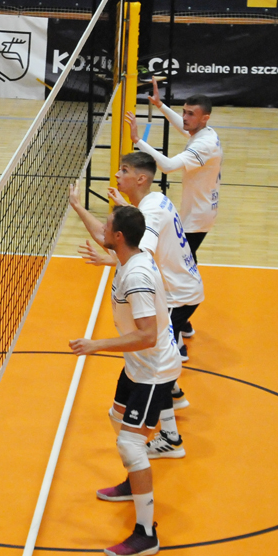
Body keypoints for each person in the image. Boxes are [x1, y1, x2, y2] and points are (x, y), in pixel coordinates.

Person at [69, 205, 181, 556]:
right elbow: (102, 237)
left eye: (107, 226)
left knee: (131, 445)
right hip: (137, 365)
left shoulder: (136, 277)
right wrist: (76, 205)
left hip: (153, 370)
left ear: (119, 237)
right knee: (116, 418)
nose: (101, 229)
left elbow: (148, 335)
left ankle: (146, 534)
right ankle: (134, 483)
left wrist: (96, 345)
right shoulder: (130, 253)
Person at [70, 153, 199, 459]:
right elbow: (127, 245)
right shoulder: (153, 201)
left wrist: (109, 257)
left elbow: (139, 253)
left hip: (175, 294)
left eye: (124, 170)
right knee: (156, 359)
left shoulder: (147, 221)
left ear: (141, 178)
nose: (117, 174)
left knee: (156, 358)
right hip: (182, 288)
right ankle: (172, 396)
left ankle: (169, 434)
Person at [126, 80, 222, 338]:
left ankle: (177, 327)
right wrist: (160, 105)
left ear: (205, 118)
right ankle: (185, 320)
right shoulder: (204, 133)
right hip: (199, 211)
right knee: (187, 264)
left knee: (182, 268)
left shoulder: (203, 145)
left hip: (197, 217)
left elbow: (167, 166)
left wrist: (138, 140)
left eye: (191, 114)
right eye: (184, 112)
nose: (185, 118)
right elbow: (183, 126)